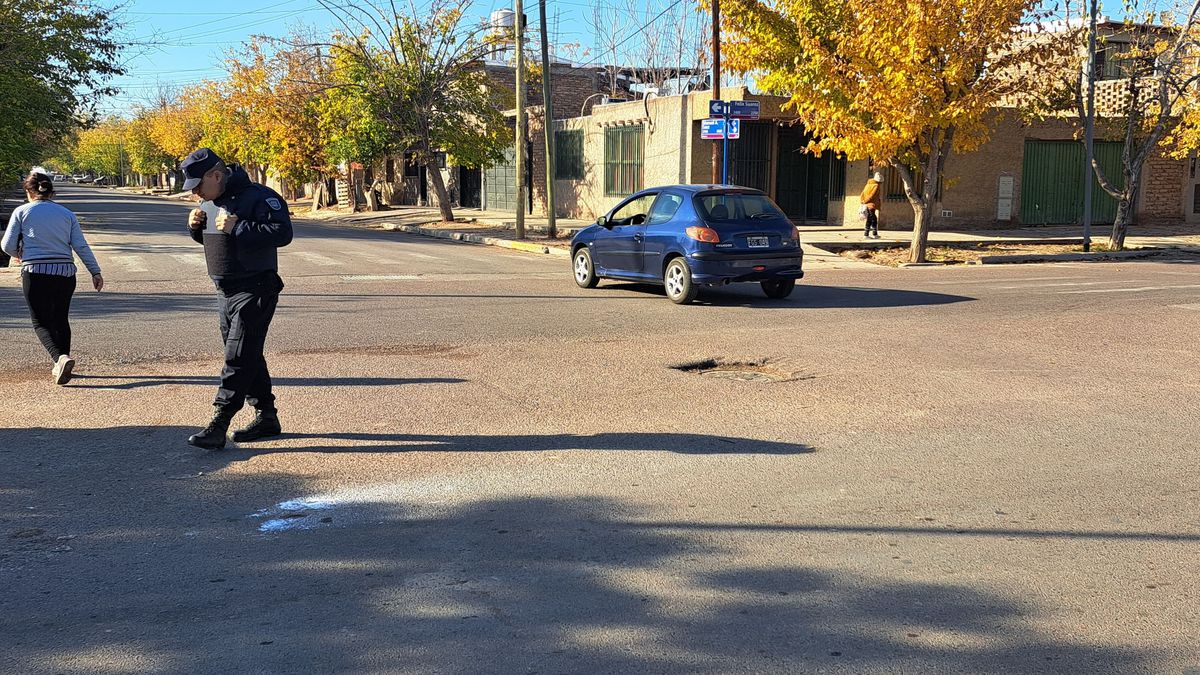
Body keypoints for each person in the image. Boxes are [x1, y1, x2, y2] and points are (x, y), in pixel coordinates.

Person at [182, 148, 292, 450]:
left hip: (255, 288)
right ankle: (267, 417)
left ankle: (219, 423)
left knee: (238, 357)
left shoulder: (259, 197)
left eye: (198, 186)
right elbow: (218, 240)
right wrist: (195, 228)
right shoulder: (209, 201)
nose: (195, 193)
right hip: (224, 290)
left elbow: (283, 233)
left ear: (216, 176)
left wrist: (239, 226)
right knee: (248, 355)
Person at [1, 171, 104, 385]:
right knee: (60, 319)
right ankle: (63, 366)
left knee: (40, 322)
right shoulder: (67, 214)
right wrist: (95, 272)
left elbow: (7, 245)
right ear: (51, 192)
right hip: (65, 273)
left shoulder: (22, 212)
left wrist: (19, 253)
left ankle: (60, 359)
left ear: (28, 192)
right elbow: (81, 246)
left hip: (35, 272)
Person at [859, 170, 884, 239]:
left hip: (867, 204)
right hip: (872, 204)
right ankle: (869, 234)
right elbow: (872, 195)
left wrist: (862, 201)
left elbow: (862, 193)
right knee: (872, 219)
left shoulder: (868, 184)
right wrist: (866, 201)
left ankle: (872, 234)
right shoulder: (876, 186)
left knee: (871, 218)